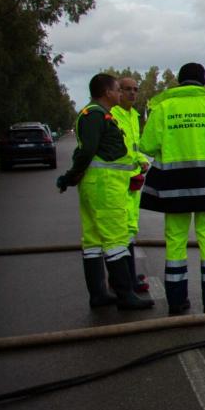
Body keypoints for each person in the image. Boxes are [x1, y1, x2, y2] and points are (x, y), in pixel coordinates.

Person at [140, 63, 205, 314]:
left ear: (178, 81)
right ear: (204, 81)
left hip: (173, 186)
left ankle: (176, 301)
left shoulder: (163, 108)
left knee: (175, 241)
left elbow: (147, 145)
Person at [55, 74, 154, 311]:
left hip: (99, 185)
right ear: (107, 92)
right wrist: (71, 176)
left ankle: (99, 294)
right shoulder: (95, 115)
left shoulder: (101, 115)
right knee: (117, 239)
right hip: (105, 187)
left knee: (93, 241)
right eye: (118, 89)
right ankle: (125, 295)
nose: (121, 93)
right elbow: (87, 150)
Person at [111, 75, 152, 293]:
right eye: (127, 89)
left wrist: (142, 160)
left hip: (132, 181)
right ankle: (123, 282)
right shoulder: (112, 115)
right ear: (117, 91)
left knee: (128, 229)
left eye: (136, 89)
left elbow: (133, 148)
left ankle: (127, 277)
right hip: (117, 182)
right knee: (119, 232)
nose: (132, 93)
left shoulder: (134, 116)